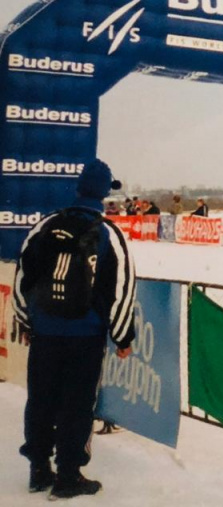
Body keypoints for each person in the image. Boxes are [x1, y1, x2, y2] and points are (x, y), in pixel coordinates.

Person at [12, 159, 137, 499]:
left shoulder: (45, 225)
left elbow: (23, 277)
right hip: (86, 337)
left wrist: (26, 322)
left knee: (41, 399)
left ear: (78, 188)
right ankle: (69, 474)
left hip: (45, 333)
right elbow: (121, 290)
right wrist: (123, 336)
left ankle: (38, 469)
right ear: (103, 194)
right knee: (78, 403)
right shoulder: (109, 234)